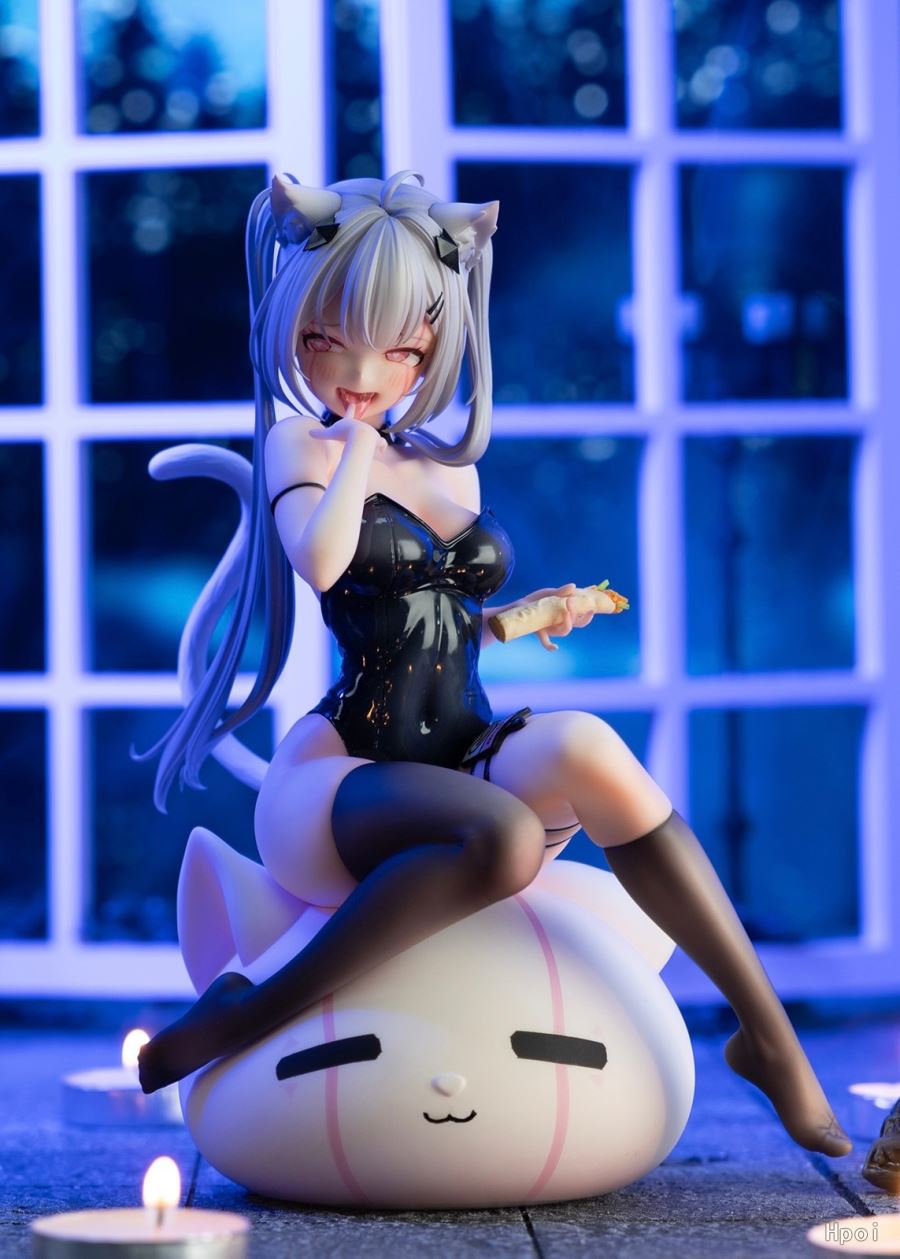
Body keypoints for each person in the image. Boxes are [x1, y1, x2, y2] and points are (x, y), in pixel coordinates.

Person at [137, 170, 850, 1159]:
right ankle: (248, 1008)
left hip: (461, 752)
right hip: (339, 780)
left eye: (400, 348)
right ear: (295, 330)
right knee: (506, 834)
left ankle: (767, 1035)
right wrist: (355, 443)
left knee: (592, 746)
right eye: (328, 339)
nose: (363, 370)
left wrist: (529, 615)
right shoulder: (302, 442)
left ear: (436, 344)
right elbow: (326, 562)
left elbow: (439, 619)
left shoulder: (447, 461)